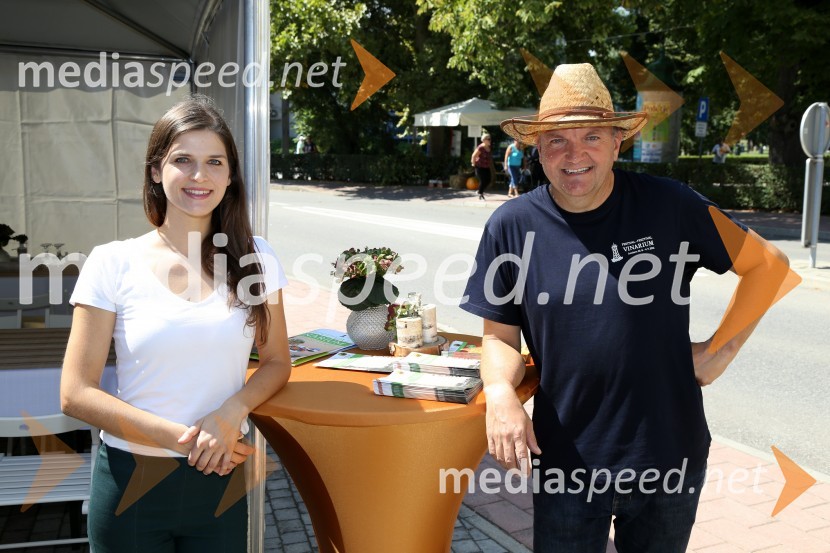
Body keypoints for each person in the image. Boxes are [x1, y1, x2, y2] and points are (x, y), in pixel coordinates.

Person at [461, 63, 790, 552]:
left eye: (592, 136)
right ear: (538, 150)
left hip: (669, 453)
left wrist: (721, 349)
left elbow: (769, 265)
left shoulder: (671, 205)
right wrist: (500, 392)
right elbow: (498, 337)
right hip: (567, 462)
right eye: (556, 141)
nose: (574, 154)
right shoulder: (511, 226)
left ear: (619, 142)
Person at [61, 95, 292, 552]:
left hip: (222, 480)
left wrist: (232, 412)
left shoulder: (257, 257)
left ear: (230, 176)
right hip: (132, 482)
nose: (199, 175)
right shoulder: (113, 262)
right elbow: (75, 392)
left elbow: (277, 362)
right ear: (155, 170)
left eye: (214, 162)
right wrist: (186, 440)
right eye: (182, 160)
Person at [471, 134, 496, 200]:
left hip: (486, 166)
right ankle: (480, 194)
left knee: (488, 180)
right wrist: (473, 164)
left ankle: (479, 190)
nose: (490, 140)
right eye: (488, 139)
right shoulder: (480, 147)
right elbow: (474, 156)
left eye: (490, 139)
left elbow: (489, 157)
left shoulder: (489, 147)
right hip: (479, 166)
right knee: (483, 180)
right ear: (484, 140)